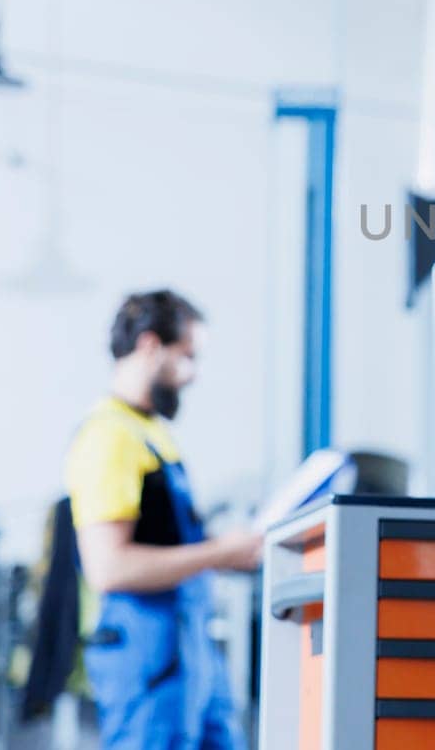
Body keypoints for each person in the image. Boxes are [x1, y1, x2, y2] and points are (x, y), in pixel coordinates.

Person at [64, 290, 262, 750]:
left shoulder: (151, 433)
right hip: (146, 654)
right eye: (187, 357)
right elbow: (108, 568)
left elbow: (168, 537)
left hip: (187, 647)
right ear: (151, 346)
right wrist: (217, 553)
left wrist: (229, 552)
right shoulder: (109, 437)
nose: (192, 375)